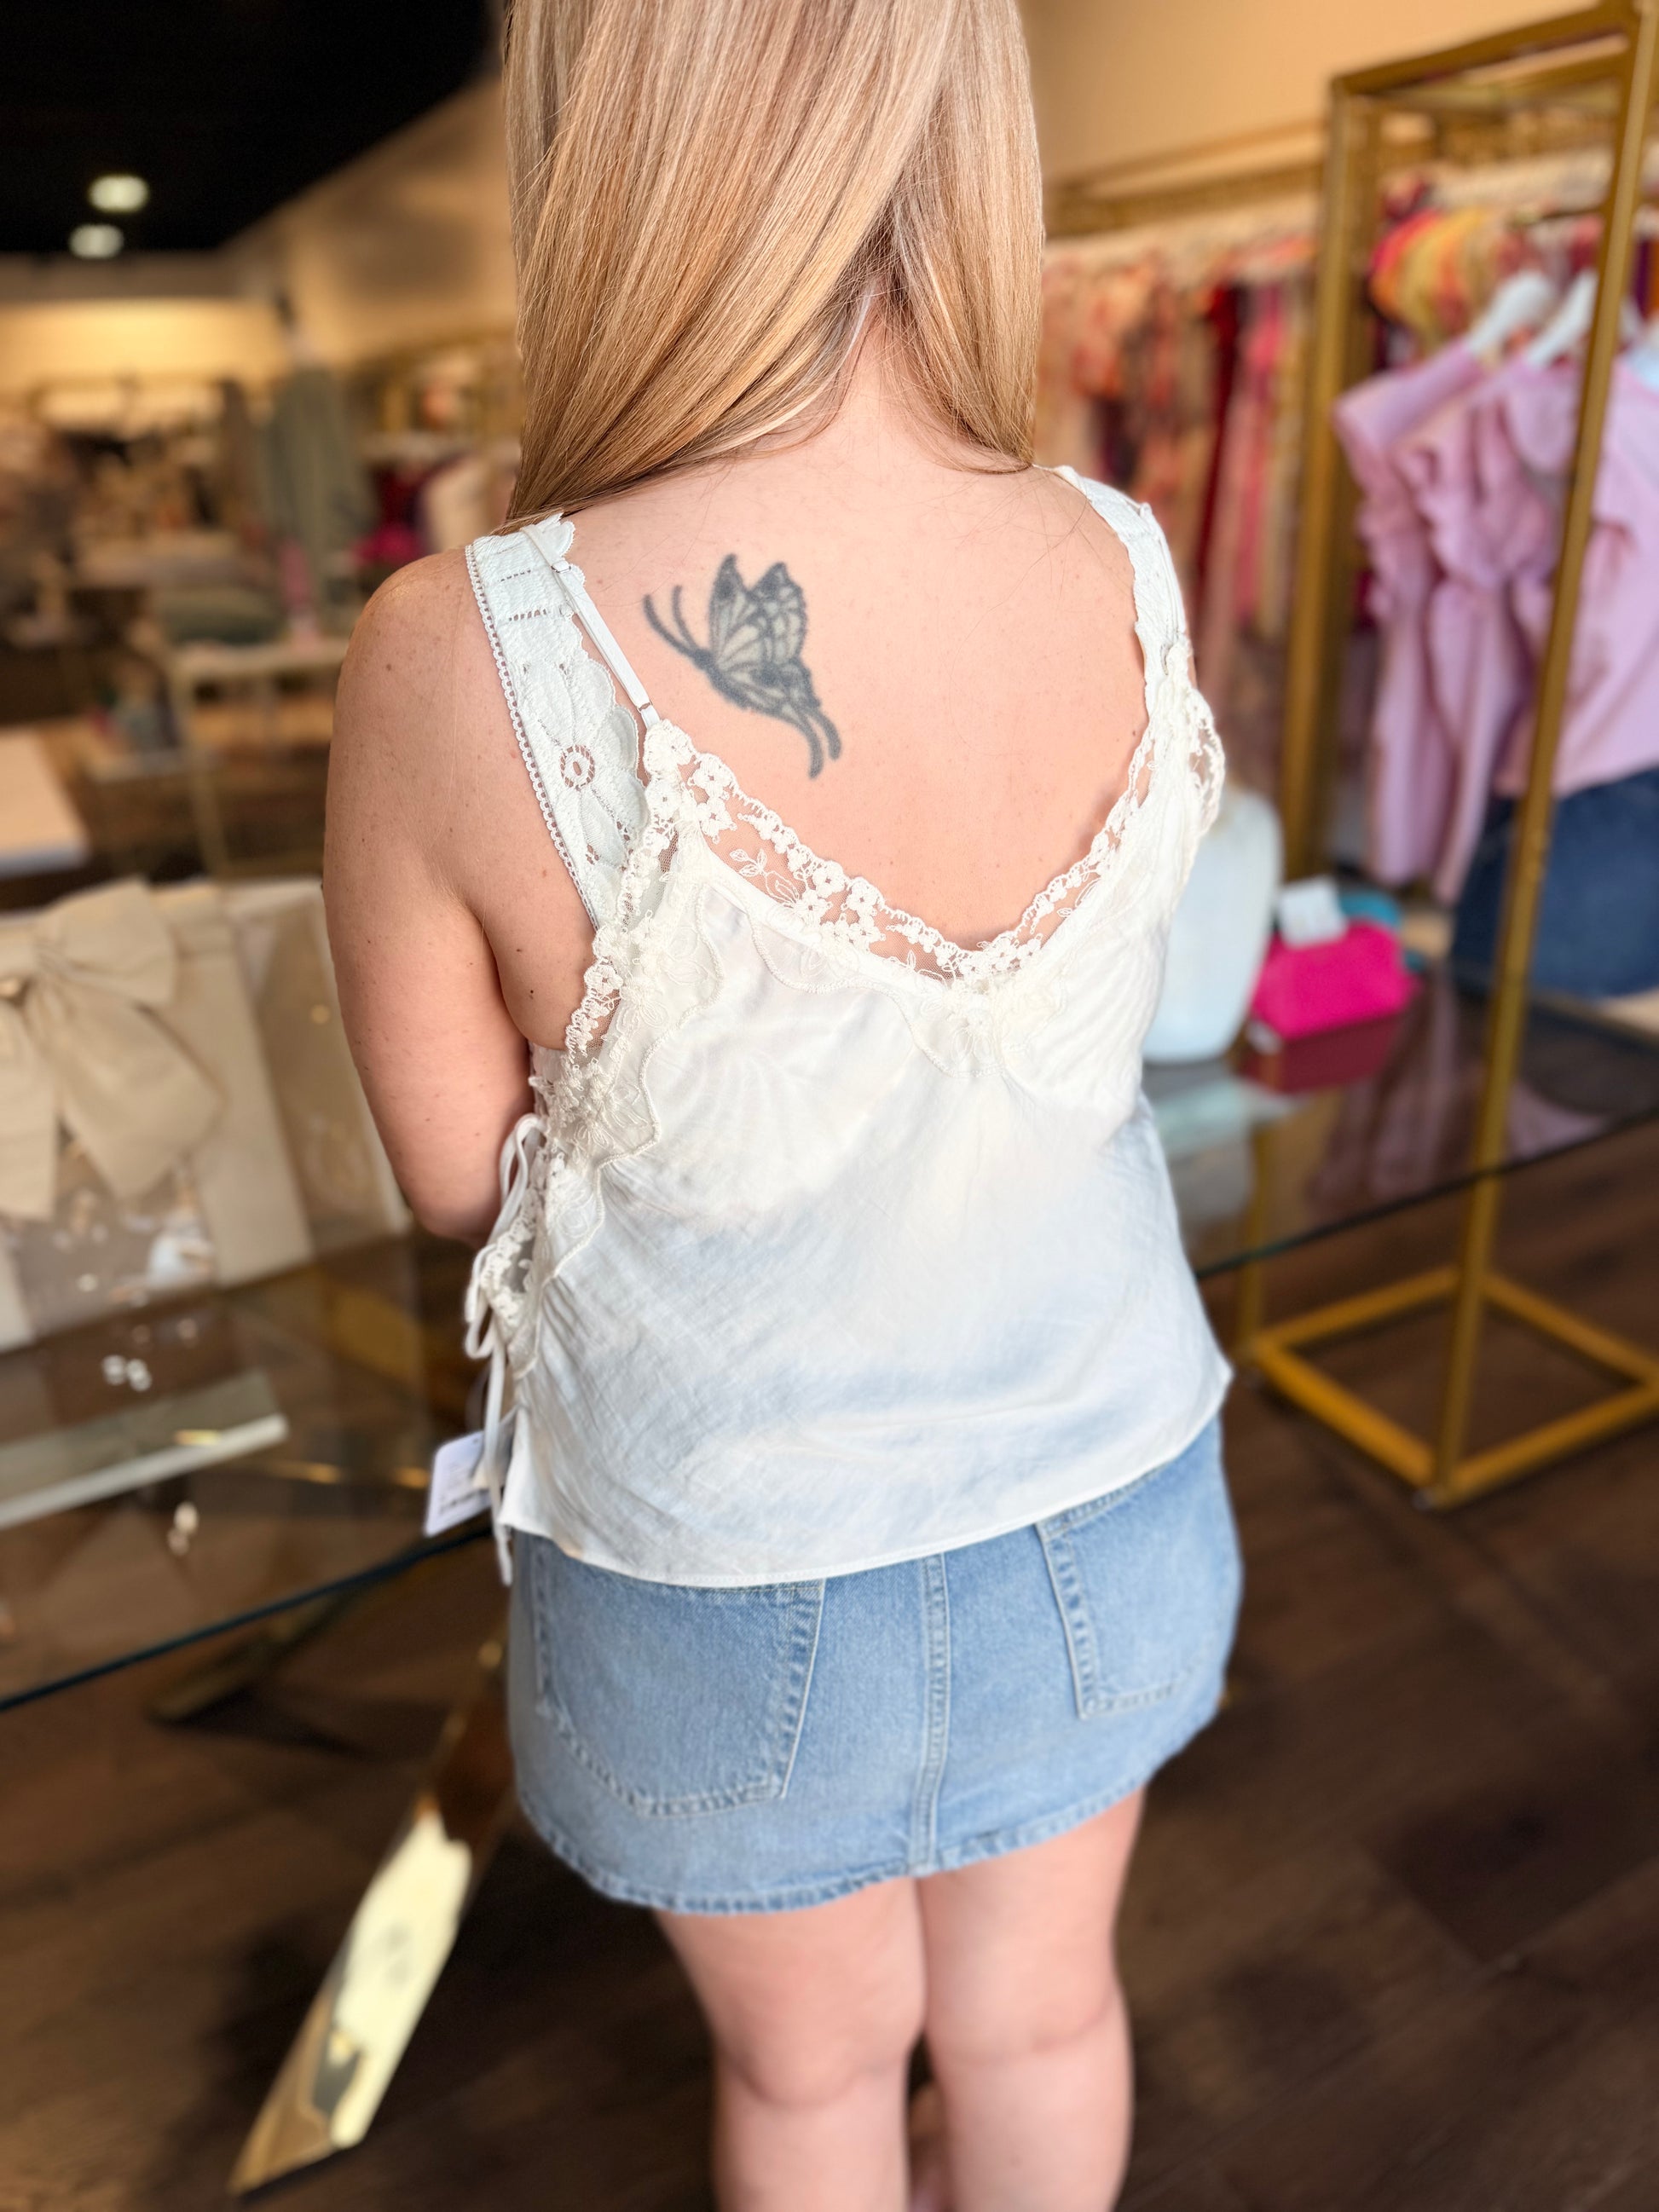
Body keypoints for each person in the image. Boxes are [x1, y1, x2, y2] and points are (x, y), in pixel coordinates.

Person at [325, 2, 1240, 2203]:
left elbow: (460, 1168)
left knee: (813, 2086)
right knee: (1040, 2012)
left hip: (714, 1561)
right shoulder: (1119, 554)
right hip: (1102, 1497)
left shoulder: (460, 650)